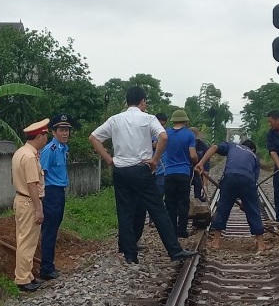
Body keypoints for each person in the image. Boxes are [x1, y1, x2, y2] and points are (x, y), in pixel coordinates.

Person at [89, 86, 197, 264]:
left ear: (127, 101)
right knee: (158, 210)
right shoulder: (148, 119)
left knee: (125, 211)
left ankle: (130, 255)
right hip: (141, 170)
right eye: (145, 101)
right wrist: (155, 159)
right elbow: (163, 137)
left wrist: (109, 159)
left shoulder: (115, 119)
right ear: (142, 101)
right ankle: (174, 250)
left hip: (121, 171)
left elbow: (93, 137)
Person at [194, 139, 269, 254]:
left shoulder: (233, 146)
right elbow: (253, 182)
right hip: (247, 180)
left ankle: (216, 242)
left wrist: (201, 163)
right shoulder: (254, 157)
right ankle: (261, 244)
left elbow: (214, 147)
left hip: (230, 177)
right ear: (253, 149)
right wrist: (247, 203)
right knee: (254, 210)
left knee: (223, 207)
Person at [13, 119, 50, 292]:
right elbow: (32, 184)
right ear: (40, 136)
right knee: (26, 242)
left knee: (26, 240)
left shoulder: (22, 152)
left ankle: (27, 275)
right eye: (45, 135)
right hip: (28, 201)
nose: (46, 139)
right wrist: (38, 208)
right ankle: (22, 279)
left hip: (22, 200)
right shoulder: (29, 157)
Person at [38, 113, 75, 280]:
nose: (65, 133)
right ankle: (46, 268)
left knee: (54, 229)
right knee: (49, 231)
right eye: (61, 130)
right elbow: (41, 174)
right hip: (51, 193)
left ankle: (49, 265)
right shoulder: (50, 150)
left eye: (67, 130)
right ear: (54, 132)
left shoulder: (63, 148)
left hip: (59, 192)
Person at [160, 109, 198, 237]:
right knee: (183, 202)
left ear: (173, 121)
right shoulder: (189, 135)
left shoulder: (166, 133)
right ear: (186, 121)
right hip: (183, 173)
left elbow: (159, 149)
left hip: (168, 173)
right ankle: (182, 230)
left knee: (170, 203)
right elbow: (193, 155)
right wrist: (195, 161)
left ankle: (172, 230)